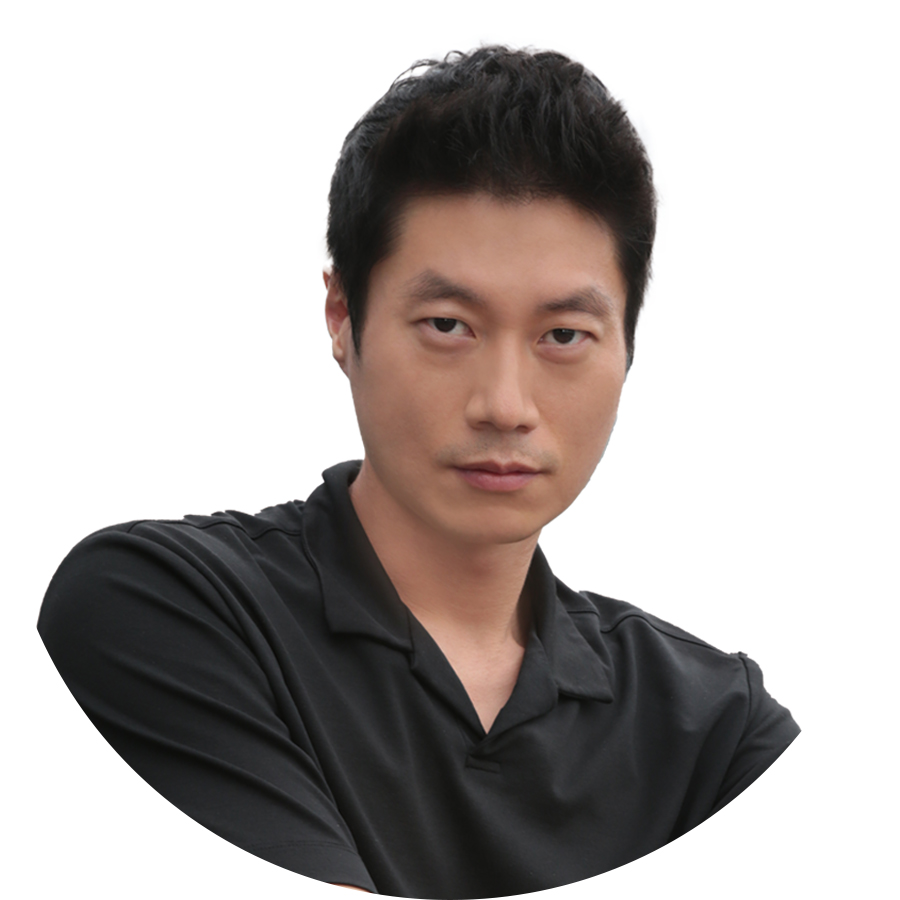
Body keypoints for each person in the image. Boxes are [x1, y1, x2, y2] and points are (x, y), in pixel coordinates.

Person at [38, 46, 799, 898]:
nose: (505, 405)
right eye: (447, 325)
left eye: (563, 336)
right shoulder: (163, 610)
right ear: (342, 317)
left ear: (628, 346)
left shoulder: (714, 729)